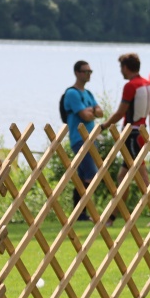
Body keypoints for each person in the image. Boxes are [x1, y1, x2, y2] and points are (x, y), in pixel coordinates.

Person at [64, 61, 104, 221]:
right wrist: (91, 111)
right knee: (91, 174)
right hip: (79, 139)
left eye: (90, 71)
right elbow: (85, 116)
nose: (88, 74)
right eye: (85, 71)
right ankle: (83, 211)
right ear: (77, 72)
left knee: (82, 177)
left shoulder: (88, 93)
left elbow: (100, 112)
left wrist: (91, 111)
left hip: (91, 138)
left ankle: (79, 213)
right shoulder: (72, 93)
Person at [105, 53, 150, 161]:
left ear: (125, 67)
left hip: (131, 133)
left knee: (138, 169)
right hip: (143, 132)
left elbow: (120, 113)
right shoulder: (149, 85)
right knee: (125, 170)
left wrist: (104, 126)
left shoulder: (130, 86)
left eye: (121, 67)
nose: (120, 71)